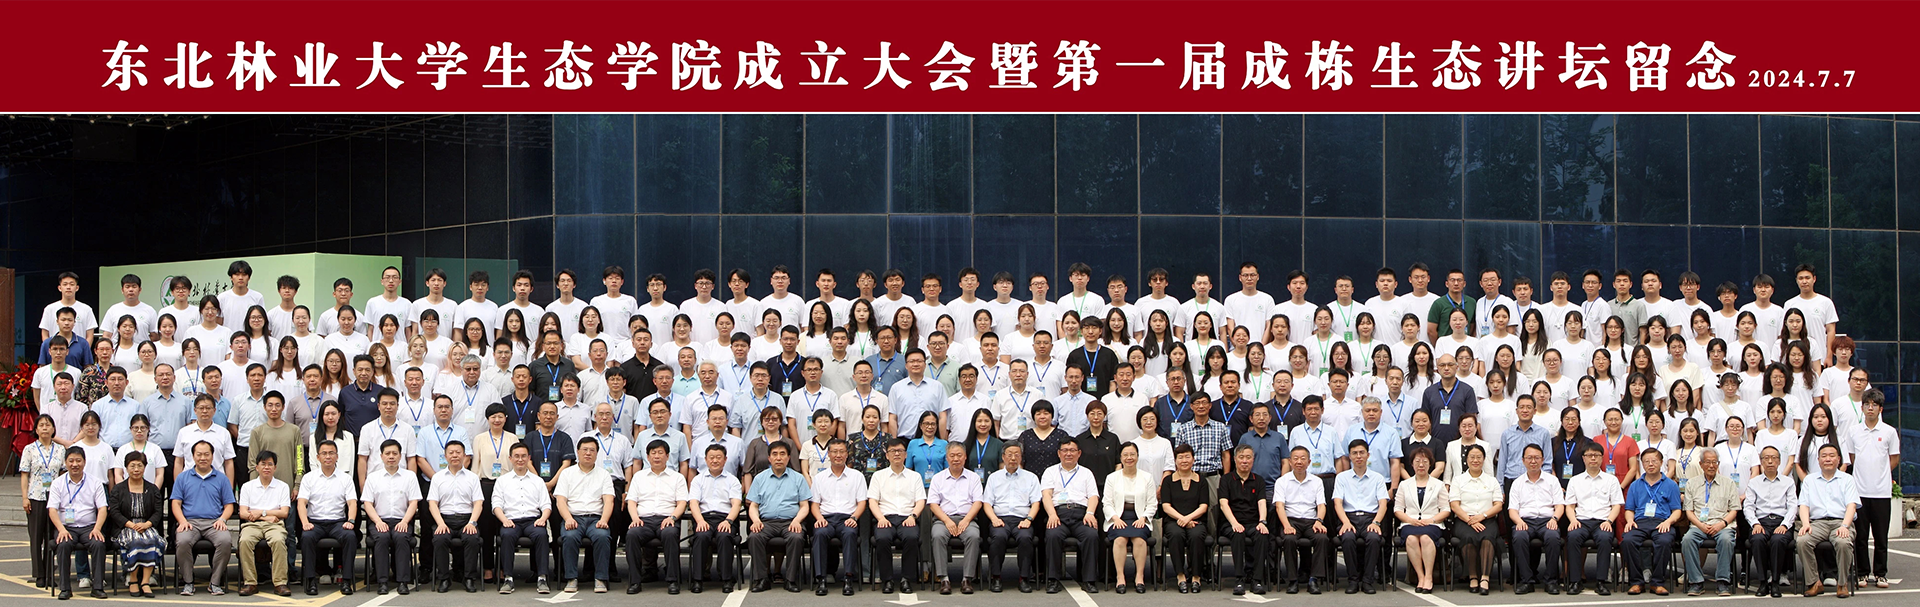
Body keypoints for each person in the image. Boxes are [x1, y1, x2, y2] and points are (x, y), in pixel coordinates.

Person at [173, 440, 236, 596]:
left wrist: (222, 519)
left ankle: (215, 582)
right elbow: (176, 503)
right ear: (193, 456)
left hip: (214, 523)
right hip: (190, 522)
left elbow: (229, 505)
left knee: (225, 541)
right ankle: (188, 582)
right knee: (182, 541)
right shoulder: (183, 477)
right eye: (199, 454)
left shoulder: (222, 479)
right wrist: (182, 521)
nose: (203, 458)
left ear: (212, 456)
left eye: (206, 454)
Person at [744, 441, 809, 593]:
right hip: (767, 522)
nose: (778, 458)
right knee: (754, 537)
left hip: (791, 522)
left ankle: (791, 580)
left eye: (782, 454)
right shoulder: (760, 478)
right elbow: (753, 505)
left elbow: (804, 505)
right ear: (769, 458)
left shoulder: (798, 478)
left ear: (788, 457)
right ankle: (762, 579)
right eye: (774, 454)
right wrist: (756, 520)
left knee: (796, 538)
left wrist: (797, 520)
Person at [622, 440, 686, 594]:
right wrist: (635, 518)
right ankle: (635, 581)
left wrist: (672, 518)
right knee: (632, 535)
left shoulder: (677, 477)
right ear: (648, 456)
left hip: (667, 519)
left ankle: (672, 580)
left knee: (670, 534)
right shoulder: (639, 477)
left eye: (660, 453)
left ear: (667, 456)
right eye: (653, 453)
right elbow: (631, 501)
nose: (657, 456)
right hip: (644, 520)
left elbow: (682, 502)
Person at [1849, 388, 1898, 589]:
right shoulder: (1854, 431)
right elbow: (1852, 457)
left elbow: (1894, 459)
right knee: (1860, 537)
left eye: (1874, 405)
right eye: (1867, 404)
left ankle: (1880, 574)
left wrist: (1880, 474)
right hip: (1860, 492)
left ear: (1880, 409)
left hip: (1881, 492)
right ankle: (1862, 573)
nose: (1870, 408)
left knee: (1880, 537)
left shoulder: (1889, 432)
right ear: (1862, 408)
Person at [552, 437, 614, 593]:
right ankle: (571, 578)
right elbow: (560, 500)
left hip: (596, 518)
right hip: (574, 517)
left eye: (592, 450)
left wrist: (604, 520)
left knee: (602, 536)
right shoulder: (567, 473)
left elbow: (609, 501)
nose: (588, 453)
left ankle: (600, 579)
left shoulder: (604, 474)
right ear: (578, 452)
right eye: (584, 450)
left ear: (597, 454)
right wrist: (568, 518)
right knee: (570, 537)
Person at [361, 439, 422, 595]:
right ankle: (382, 582)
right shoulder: (373, 477)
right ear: (381, 456)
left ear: (400, 456)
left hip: (402, 520)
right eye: (387, 453)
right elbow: (367, 503)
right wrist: (378, 521)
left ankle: (403, 581)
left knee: (401, 537)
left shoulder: (410, 476)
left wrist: (405, 521)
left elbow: (414, 502)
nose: (391, 456)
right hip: (379, 520)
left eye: (395, 453)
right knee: (381, 537)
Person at [298, 440, 358, 595]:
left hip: (337, 522)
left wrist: (350, 521)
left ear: (337, 456)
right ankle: (311, 580)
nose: (328, 456)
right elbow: (301, 503)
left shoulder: (345, 478)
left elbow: (352, 503)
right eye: (324, 453)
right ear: (318, 457)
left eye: (331, 453)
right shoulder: (309, 478)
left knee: (350, 536)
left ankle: (346, 580)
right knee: (306, 537)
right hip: (315, 522)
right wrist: (305, 523)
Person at [1798, 443, 1859, 598]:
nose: (1828, 459)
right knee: (1802, 540)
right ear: (1818, 460)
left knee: (1843, 542)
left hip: (1840, 522)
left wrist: (1845, 526)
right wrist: (1806, 524)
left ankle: (1842, 583)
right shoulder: (1810, 480)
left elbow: (1851, 506)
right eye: (1824, 456)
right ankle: (1814, 582)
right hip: (1817, 523)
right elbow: (1803, 505)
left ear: (1838, 459)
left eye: (1832, 456)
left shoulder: (1847, 479)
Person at [1041, 439, 1101, 594]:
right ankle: (1053, 580)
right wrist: (1052, 515)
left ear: (1079, 453)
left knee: (1091, 535)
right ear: (1059, 453)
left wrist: (1090, 513)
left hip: (1081, 514)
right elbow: (1046, 495)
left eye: (1072, 450)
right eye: (1065, 450)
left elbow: (1093, 496)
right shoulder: (1050, 471)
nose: (1068, 453)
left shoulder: (1086, 473)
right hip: (1058, 514)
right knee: (1053, 535)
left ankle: (1088, 580)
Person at [1620, 448, 1682, 595]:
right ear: (1642, 464)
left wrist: (1668, 522)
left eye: (1654, 461)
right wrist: (1629, 520)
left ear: (1661, 462)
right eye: (1646, 461)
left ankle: (1657, 582)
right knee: (1628, 540)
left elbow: (1677, 511)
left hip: (1662, 521)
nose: (1650, 464)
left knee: (1664, 541)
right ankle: (1636, 582)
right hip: (1640, 521)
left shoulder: (1671, 485)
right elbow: (1629, 509)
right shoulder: (1635, 485)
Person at [1562, 443, 1621, 595]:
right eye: (1589, 455)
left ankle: (1601, 582)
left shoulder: (1611, 480)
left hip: (1603, 521)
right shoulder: (1575, 480)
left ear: (1602, 458)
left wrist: (1609, 521)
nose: (1593, 458)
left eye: (1596, 455)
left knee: (1605, 538)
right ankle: (1575, 581)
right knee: (1573, 536)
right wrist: (1573, 520)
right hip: (1581, 521)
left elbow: (1616, 505)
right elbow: (1569, 506)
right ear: (1583, 458)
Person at [50, 446, 108, 600]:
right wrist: (61, 530)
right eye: (71, 461)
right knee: (63, 544)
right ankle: (65, 588)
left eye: (78, 461)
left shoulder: (95, 482)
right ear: (65, 462)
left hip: (89, 527)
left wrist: (97, 528)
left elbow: (102, 508)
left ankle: (97, 587)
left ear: (84, 462)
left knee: (98, 543)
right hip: (66, 527)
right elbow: (52, 510)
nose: (74, 464)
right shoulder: (57, 483)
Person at [1681, 448, 1741, 596]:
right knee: (1687, 540)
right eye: (1708, 462)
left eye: (1715, 462)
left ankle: (1722, 581)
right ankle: (1696, 582)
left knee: (1726, 540)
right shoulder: (1692, 483)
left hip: (1722, 525)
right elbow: (1689, 511)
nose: (1711, 466)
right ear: (1701, 464)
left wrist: (1722, 524)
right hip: (1699, 525)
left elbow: (1734, 510)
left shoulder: (1728, 483)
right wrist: (1700, 525)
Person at [869, 438, 926, 593]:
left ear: (906, 454)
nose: (896, 454)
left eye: (900, 451)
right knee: (882, 538)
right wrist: (880, 518)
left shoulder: (915, 476)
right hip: (885, 517)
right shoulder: (878, 476)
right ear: (887, 455)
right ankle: (887, 580)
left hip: (907, 517)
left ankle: (906, 579)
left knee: (911, 537)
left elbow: (921, 501)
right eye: (892, 451)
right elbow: (872, 501)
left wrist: (913, 516)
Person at [107, 449, 167, 597]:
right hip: (125, 527)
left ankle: (145, 581)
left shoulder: (152, 489)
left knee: (153, 540)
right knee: (136, 541)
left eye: (139, 466)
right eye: (132, 466)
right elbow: (114, 511)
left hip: (146, 525)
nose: (136, 469)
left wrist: (147, 524)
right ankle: (133, 579)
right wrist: (130, 524)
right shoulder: (118, 489)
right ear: (126, 468)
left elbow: (158, 512)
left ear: (145, 467)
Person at [983, 443, 1041, 593]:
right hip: (1000, 518)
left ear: (1021, 457)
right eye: (1009, 454)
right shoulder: (994, 477)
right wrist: (994, 519)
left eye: (1017, 454)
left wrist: (1028, 519)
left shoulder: (1031, 477)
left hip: (1022, 519)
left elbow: (1036, 502)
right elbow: (987, 503)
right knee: (998, 537)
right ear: (1003, 457)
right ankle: (996, 577)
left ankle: (1024, 578)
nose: (1013, 458)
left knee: (1025, 538)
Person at [1333, 439, 1389, 594]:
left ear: (1368, 455)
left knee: (1374, 538)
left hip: (1370, 518)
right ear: (1349, 456)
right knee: (1348, 538)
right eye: (1354, 453)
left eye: (1361, 453)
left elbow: (1383, 503)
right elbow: (1337, 503)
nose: (1358, 456)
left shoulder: (1378, 478)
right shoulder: (1342, 478)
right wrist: (1345, 522)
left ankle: (1367, 581)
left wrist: (1376, 522)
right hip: (1349, 517)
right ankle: (1353, 580)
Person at [930, 442, 986, 594]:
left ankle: (967, 579)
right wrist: (947, 521)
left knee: (974, 536)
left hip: (967, 518)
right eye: (952, 455)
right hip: (943, 519)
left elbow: (978, 502)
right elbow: (933, 505)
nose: (956, 459)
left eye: (959, 455)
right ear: (947, 458)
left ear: (965, 457)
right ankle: (944, 579)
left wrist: (966, 520)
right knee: (938, 535)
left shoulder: (973, 477)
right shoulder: (938, 478)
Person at [1509, 444, 1564, 595]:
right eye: (1529, 458)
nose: (1533, 461)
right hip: (1525, 520)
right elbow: (1512, 510)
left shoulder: (1552, 480)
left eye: (1537, 458)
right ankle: (1527, 581)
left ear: (1543, 460)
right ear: (1523, 460)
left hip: (1547, 520)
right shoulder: (1517, 483)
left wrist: (1554, 518)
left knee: (1553, 537)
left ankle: (1551, 581)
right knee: (1519, 537)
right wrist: (1519, 522)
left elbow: (1560, 505)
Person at [1392, 447, 1449, 594]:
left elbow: (1445, 509)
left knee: (1425, 538)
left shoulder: (1438, 484)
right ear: (1412, 464)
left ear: (1430, 464)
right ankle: (1420, 576)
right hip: (1409, 523)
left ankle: (1429, 576)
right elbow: (1398, 509)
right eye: (1417, 461)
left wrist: (1432, 520)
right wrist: (1410, 520)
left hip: (1432, 523)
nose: (1421, 465)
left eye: (1425, 461)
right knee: (1411, 538)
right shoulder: (1404, 485)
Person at [689, 444, 743, 594]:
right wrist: (700, 521)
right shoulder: (698, 480)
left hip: (725, 517)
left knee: (725, 536)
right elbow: (693, 503)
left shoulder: (732, 480)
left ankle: (726, 579)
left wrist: (728, 521)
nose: (715, 461)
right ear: (706, 460)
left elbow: (736, 504)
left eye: (719, 457)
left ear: (725, 460)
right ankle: (697, 579)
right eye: (711, 457)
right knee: (701, 536)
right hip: (704, 517)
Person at [237, 450, 292, 597]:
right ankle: (250, 583)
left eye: (270, 464)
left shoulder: (282, 486)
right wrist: (266, 517)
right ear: (257, 467)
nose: (266, 467)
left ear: (275, 467)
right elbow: (243, 513)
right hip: (252, 524)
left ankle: (280, 583)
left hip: (275, 525)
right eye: (263, 464)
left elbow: (284, 513)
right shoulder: (247, 486)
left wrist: (260, 512)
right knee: (244, 541)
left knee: (278, 541)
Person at [1448, 443, 1501, 595]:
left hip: (1487, 518)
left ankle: (1485, 578)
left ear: (1484, 459)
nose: (1475, 460)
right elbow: (1454, 505)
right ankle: (1473, 577)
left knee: (1487, 537)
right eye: (1472, 457)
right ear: (1467, 459)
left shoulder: (1492, 481)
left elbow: (1498, 505)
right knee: (1468, 537)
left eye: (1479, 457)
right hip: (1464, 520)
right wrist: (1469, 519)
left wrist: (1482, 516)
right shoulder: (1458, 480)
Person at [1746, 446, 1798, 598]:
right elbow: (1748, 506)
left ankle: (1775, 582)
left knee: (1778, 540)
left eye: (1774, 458)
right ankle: (1763, 582)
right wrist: (1755, 523)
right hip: (1761, 521)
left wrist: (1785, 525)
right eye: (1766, 458)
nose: (1770, 461)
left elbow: (1793, 506)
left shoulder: (1788, 482)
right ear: (1761, 461)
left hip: (1781, 522)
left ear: (1779, 461)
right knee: (1757, 539)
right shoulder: (1754, 482)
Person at [1160, 445, 1211, 594]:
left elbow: (1203, 506)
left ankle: (1196, 577)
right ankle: (1180, 576)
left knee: (1196, 535)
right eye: (1180, 457)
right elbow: (1166, 506)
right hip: (1173, 521)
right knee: (1176, 535)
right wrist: (1182, 519)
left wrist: (1188, 519)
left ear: (1193, 459)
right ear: (1175, 461)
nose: (1184, 460)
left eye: (1187, 457)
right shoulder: (1168, 481)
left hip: (1196, 520)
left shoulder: (1201, 480)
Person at [1218, 444, 1268, 595]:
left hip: (1253, 522)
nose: (1244, 461)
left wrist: (1262, 522)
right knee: (1238, 534)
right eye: (1241, 457)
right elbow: (1223, 504)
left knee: (1262, 535)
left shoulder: (1258, 480)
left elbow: (1262, 503)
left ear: (1253, 460)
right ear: (1235, 459)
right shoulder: (1226, 479)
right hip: (1231, 523)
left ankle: (1257, 579)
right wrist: (1234, 523)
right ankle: (1239, 579)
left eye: (1248, 457)